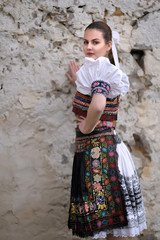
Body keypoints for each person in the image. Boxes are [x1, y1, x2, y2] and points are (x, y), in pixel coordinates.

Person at [66, 21, 147, 239]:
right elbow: (99, 98)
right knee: (110, 230)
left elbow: (100, 105)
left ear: (108, 45)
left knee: (107, 229)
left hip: (101, 156)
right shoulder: (100, 72)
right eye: (85, 42)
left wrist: (86, 127)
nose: (89, 47)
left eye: (95, 42)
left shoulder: (101, 72)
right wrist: (80, 85)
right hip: (101, 152)